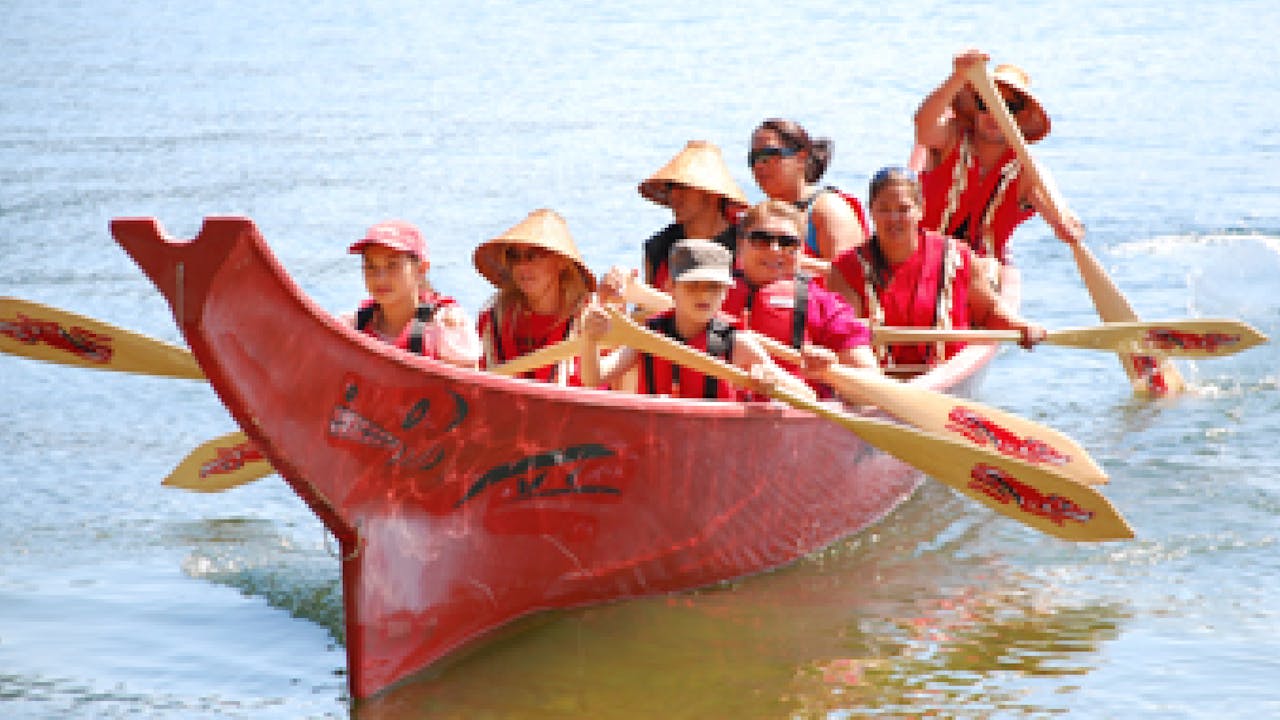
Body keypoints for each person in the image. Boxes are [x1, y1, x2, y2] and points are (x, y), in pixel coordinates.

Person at [828, 166, 1047, 370]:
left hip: (944, 374)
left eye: (903, 209)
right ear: (871, 212)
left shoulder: (958, 257)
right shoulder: (846, 269)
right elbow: (847, 335)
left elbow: (988, 312)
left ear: (920, 210)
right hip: (876, 382)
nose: (894, 218)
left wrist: (1022, 327)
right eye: (884, 209)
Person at [581, 239, 814, 402]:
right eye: (693, 285)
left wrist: (772, 380)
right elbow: (593, 379)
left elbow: (807, 396)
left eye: (713, 287)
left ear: (725, 292)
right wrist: (589, 338)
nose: (703, 295)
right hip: (658, 449)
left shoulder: (738, 344)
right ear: (671, 286)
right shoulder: (647, 337)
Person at [914, 49, 1084, 267]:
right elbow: (923, 125)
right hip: (921, 260)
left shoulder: (1025, 170)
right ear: (975, 109)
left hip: (983, 274)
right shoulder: (951, 138)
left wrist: (1066, 221)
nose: (994, 116)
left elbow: (1052, 202)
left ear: (1020, 117)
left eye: (1008, 108)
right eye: (986, 105)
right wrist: (958, 76)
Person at [472, 208, 594, 384]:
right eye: (515, 257)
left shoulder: (588, 320)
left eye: (533, 255)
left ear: (561, 262)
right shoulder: (492, 322)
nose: (522, 266)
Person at [341, 220, 481, 369]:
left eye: (392, 265)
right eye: (370, 266)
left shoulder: (447, 327)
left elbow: (470, 389)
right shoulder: (351, 327)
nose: (379, 278)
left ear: (421, 269)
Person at [749, 118, 868, 272]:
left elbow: (852, 275)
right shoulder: (762, 215)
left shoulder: (827, 208)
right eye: (754, 158)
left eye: (769, 155)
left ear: (801, 158)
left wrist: (788, 261)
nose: (758, 165)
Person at [638, 140, 749, 292]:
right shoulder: (658, 246)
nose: (673, 195)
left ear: (712, 194)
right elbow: (645, 310)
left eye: (684, 187)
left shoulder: (747, 242)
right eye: (671, 187)